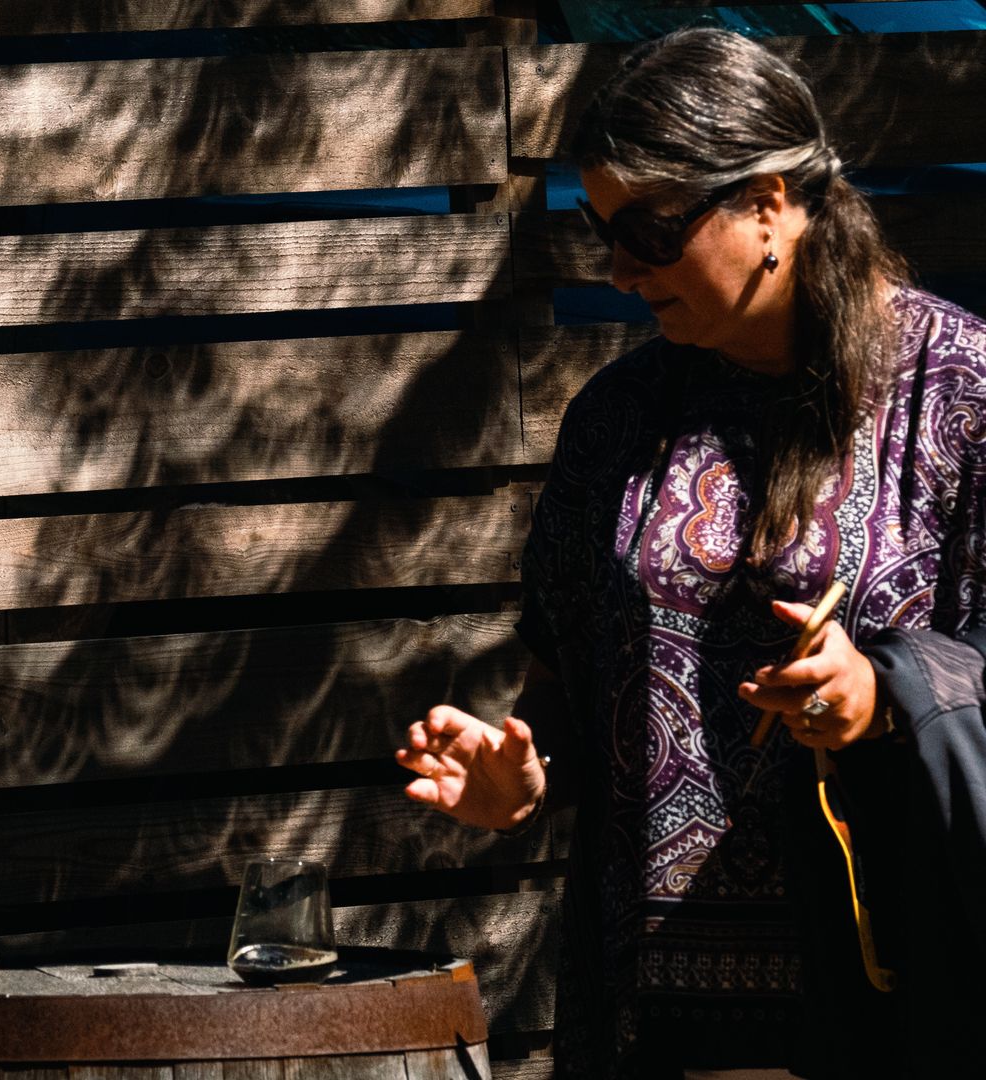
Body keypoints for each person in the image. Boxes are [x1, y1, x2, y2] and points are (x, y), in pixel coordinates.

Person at [395, 27, 986, 1079]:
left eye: (653, 231)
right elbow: (566, 687)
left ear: (768, 203)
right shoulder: (615, 419)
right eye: (603, 235)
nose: (621, 270)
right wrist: (521, 776)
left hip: (886, 995)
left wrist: (883, 691)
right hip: (654, 1016)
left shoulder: (961, 391)